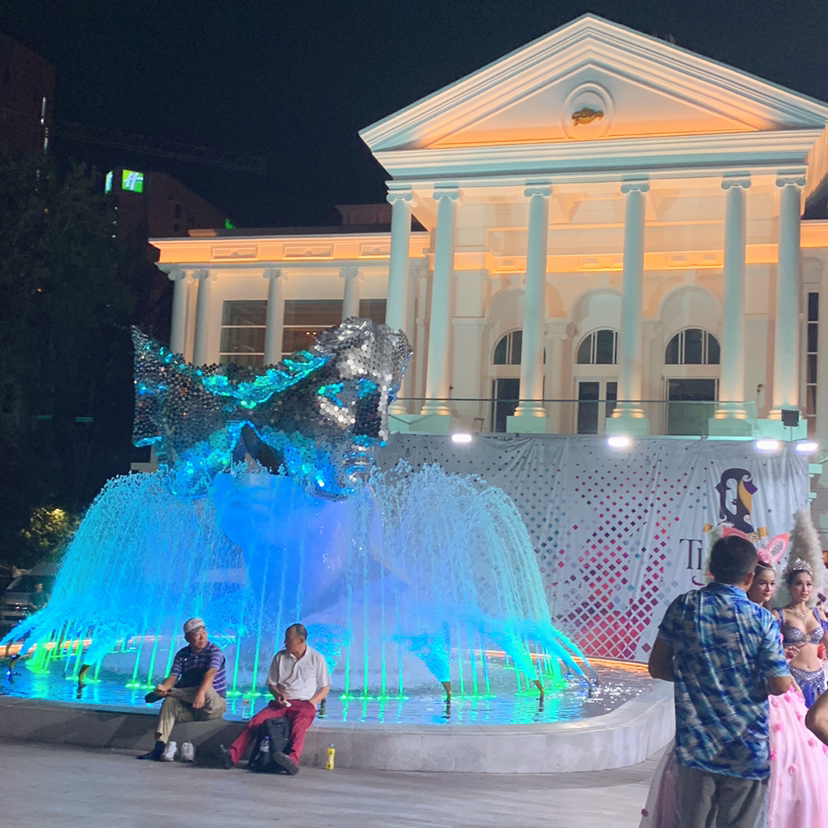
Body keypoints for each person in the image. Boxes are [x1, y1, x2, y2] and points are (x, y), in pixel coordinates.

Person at [641, 560, 828, 828]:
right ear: (749, 580)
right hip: (749, 725)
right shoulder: (769, 618)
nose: (767, 588)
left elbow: (659, 665)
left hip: (711, 735)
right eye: (762, 582)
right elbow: (777, 681)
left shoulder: (687, 605)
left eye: (771, 583)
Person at [221, 623, 330, 774]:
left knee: (299, 727)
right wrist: (277, 694)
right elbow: (271, 684)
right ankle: (232, 756)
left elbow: (325, 687)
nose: (285, 642)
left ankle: (292, 761)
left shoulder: (317, 658)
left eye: (288, 639)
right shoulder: (280, 657)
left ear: (301, 640)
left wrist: (312, 703)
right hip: (281, 703)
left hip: (304, 703)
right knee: (256, 721)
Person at [137, 617, 227, 762]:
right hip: (192, 708)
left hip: (213, 706)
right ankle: (159, 748)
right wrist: (163, 688)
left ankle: (171, 693)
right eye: (196, 634)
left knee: (206, 689)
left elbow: (211, 673)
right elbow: (173, 677)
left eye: (204, 632)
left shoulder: (214, 651)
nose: (202, 637)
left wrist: (201, 693)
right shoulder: (182, 654)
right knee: (170, 701)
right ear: (187, 638)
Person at [777, 558, 828, 708]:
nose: (805, 589)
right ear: (789, 587)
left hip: (819, 681)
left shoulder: (818, 613)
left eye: (809, 584)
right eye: (799, 584)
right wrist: (783, 650)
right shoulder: (780, 614)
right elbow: (771, 649)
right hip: (793, 681)